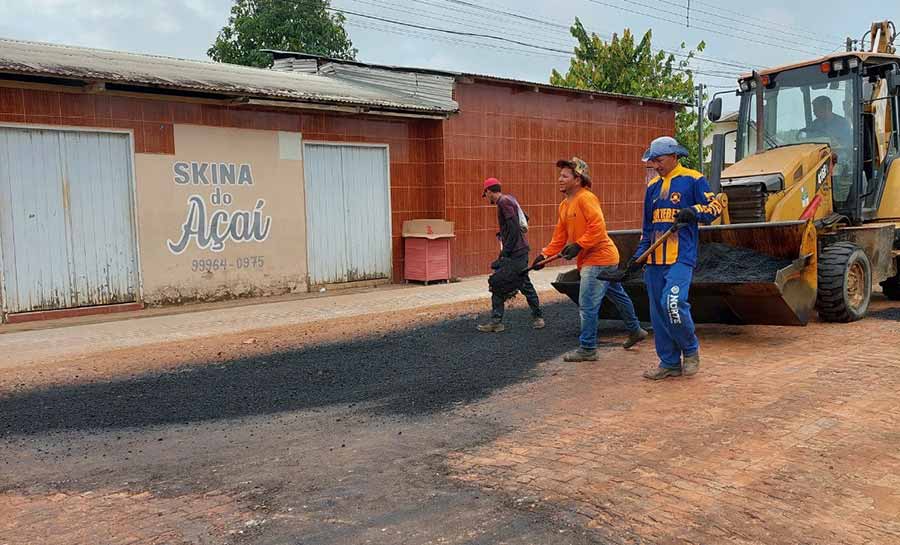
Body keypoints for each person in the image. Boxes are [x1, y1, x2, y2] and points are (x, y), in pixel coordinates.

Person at [532, 158, 647, 362]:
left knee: (587, 304)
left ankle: (588, 348)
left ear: (578, 179)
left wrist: (579, 244)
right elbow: (559, 237)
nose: (559, 179)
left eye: (565, 176)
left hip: (599, 259)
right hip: (597, 258)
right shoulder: (564, 205)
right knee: (617, 294)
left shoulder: (586, 198)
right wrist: (544, 256)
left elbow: (597, 227)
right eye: (560, 175)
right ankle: (636, 330)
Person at [630, 137, 722, 380]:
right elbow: (647, 229)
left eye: (659, 160)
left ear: (674, 156)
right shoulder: (651, 188)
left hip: (681, 257)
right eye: (653, 162)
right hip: (654, 263)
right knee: (658, 313)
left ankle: (690, 351)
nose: (656, 165)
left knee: (672, 303)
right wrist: (637, 258)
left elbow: (715, 208)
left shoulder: (693, 179)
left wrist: (694, 211)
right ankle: (669, 362)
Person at [477, 177, 544, 332]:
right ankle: (534, 317)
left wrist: (505, 253)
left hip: (515, 253)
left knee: (506, 282)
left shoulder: (503, 202)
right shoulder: (510, 199)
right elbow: (523, 218)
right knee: (505, 282)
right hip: (518, 251)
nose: (486, 197)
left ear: (488, 191)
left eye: (485, 194)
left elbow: (514, 228)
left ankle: (535, 317)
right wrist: (504, 232)